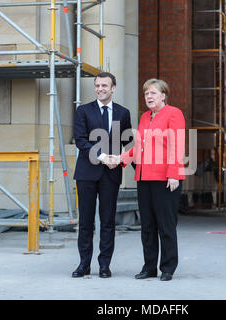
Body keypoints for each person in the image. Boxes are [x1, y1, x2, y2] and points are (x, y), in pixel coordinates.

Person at [116, 78, 185, 281]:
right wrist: (120, 159)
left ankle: (168, 267)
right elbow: (139, 148)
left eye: (153, 93)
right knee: (147, 226)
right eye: (146, 93)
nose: (149, 96)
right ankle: (149, 267)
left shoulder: (174, 113)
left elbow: (177, 144)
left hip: (166, 178)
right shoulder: (145, 117)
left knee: (166, 224)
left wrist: (173, 173)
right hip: (144, 177)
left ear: (163, 95)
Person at [72, 72, 132, 278]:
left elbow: (127, 142)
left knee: (107, 221)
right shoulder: (83, 111)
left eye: (104, 85)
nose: (100, 89)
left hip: (111, 175)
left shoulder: (123, 113)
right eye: (97, 85)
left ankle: (104, 265)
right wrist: (102, 156)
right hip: (86, 173)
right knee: (86, 222)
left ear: (113, 88)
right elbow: (80, 140)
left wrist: (124, 160)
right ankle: (84, 264)